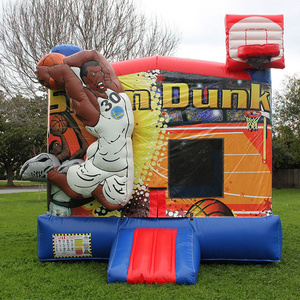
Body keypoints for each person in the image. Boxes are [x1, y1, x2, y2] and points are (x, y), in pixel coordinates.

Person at [21, 50, 134, 211]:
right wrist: (64, 66)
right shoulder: (113, 93)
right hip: (108, 160)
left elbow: (93, 56)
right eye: (93, 74)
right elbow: (92, 60)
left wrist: (60, 66)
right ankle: (56, 171)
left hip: (109, 163)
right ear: (87, 79)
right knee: (84, 182)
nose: (99, 76)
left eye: (100, 72)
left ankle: (49, 171)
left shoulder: (113, 92)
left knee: (78, 186)